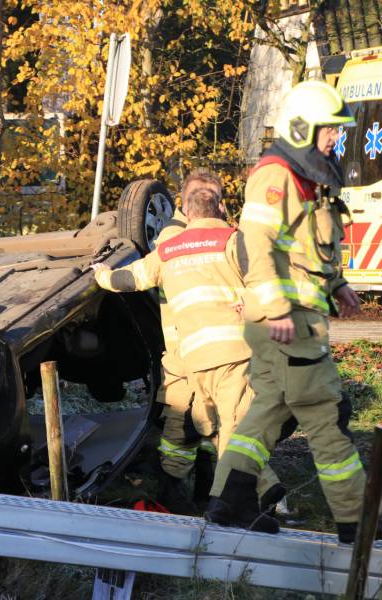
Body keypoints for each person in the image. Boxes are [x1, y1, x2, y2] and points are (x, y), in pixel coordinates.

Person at [205, 80, 377, 542]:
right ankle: (356, 521)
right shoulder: (276, 175)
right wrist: (277, 306)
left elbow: (304, 248)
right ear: (303, 128)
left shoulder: (303, 178)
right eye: (329, 131)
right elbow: (255, 242)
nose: (336, 140)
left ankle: (228, 501)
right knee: (326, 412)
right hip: (288, 321)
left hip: (292, 319)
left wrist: (338, 284)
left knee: (267, 411)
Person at [93, 186, 283, 515]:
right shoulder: (233, 240)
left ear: (186, 210)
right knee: (230, 426)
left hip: (190, 358)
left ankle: (222, 495)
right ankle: (258, 492)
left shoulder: (169, 248)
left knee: (205, 427)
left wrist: (101, 275)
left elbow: (130, 279)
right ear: (220, 207)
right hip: (233, 352)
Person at [137, 169, 222, 514]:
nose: (207, 201)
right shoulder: (172, 235)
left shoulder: (227, 235)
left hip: (218, 351)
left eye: (212, 194)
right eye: (200, 194)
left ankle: (206, 490)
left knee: (214, 426)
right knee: (180, 424)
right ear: (185, 202)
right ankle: (172, 493)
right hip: (183, 351)